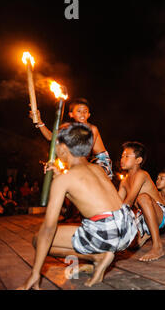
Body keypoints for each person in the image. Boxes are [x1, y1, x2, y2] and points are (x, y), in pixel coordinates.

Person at [18, 123, 137, 289]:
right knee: (86, 227)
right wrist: (61, 177)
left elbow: (48, 228)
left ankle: (98, 257)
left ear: (63, 149)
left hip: (106, 231)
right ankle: (100, 256)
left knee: (38, 240)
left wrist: (35, 272)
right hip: (127, 226)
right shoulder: (97, 168)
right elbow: (84, 196)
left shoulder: (64, 180)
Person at [32, 98, 113, 179]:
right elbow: (51, 137)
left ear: (89, 115)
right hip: (84, 162)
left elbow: (86, 151)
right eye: (79, 111)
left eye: (85, 111)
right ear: (71, 114)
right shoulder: (71, 129)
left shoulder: (92, 129)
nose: (82, 114)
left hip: (100, 162)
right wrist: (39, 121)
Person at [118, 141, 165, 261]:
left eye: (127, 156)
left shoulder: (142, 174)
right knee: (130, 247)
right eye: (122, 156)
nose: (122, 159)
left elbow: (129, 201)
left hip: (159, 214)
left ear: (138, 160)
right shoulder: (124, 182)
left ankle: (157, 247)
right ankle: (144, 234)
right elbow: (117, 204)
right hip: (142, 218)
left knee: (143, 197)